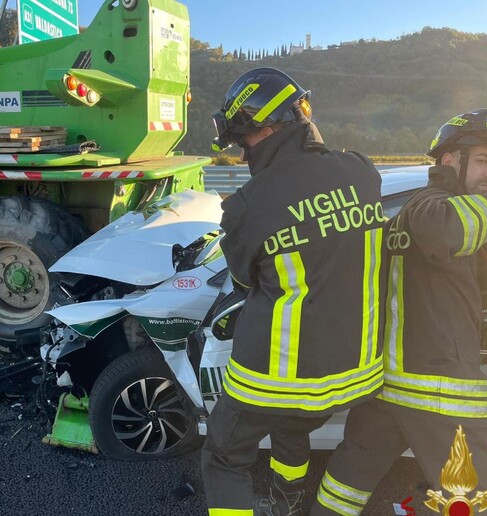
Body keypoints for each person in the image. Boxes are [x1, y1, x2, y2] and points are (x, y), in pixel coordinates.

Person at [310, 108, 487, 515]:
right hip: (437, 389)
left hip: (390, 385)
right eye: (484, 160)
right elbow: (446, 229)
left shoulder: (408, 214)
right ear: (449, 159)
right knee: (474, 502)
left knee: (349, 478)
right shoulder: (433, 204)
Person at [202, 67, 386, 516]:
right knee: (292, 427)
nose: (243, 150)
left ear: (264, 129)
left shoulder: (248, 204)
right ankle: (286, 500)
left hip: (273, 377)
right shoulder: (362, 172)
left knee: (225, 457)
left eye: (243, 139)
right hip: (352, 375)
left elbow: (244, 280)